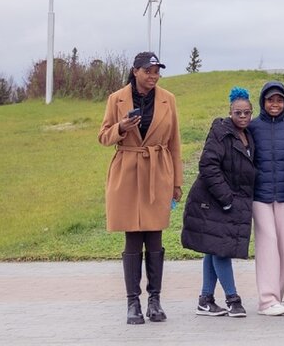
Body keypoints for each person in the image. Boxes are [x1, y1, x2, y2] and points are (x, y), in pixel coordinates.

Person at [98, 51, 182, 325]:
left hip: (158, 172)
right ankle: (132, 302)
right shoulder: (116, 99)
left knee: (154, 237)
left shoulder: (168, 99)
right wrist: (121, 127)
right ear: (135, 71)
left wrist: (177, 183)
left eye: (157, 71)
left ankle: (154, 301)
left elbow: (174, 144)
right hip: (128, 172)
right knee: (132, 237)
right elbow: (103, 136)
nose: (153, 75)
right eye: (148, 70)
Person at [181, 87, 257, 318]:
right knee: (221, 250)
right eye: (238, 113)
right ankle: (233, 299)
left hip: (227, 200)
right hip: (212, 200)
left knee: (213, 249)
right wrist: (226, 199)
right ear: (230, 111)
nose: (242, 117)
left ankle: (205, 300)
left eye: (247, 112)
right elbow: (208, 166)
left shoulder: (248, 134)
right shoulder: (221, 131)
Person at [248, 80, 284, 316]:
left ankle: (277, 295)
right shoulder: (253, 126)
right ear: (263, 102)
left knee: (282, 246)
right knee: (267, 244)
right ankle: (267, 300)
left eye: (279, 100)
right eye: (270, 100)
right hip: (260, 196)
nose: (275, 104)